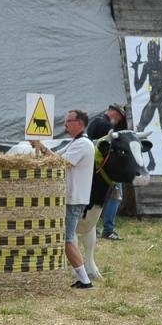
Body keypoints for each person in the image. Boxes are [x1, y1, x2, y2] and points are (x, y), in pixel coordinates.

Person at [35, 108, 96, 289]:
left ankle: (85, 280)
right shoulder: (75, 142)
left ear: (79, 124)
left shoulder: (83, 144)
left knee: (67, 239)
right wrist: (41, 148)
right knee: (66, 238)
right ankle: (82, 278)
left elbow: (60, 162)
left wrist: (42, 147)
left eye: (68, 121)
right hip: (71, 197)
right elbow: (56, 157)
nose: (65, 124)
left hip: (74, 198)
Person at [86, 103, 129, 241]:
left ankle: (91, 226)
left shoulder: (94, 122)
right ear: (112, 112)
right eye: (117, 115)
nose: (117, 118)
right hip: (106, 170)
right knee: (116, 196)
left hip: (93, 168)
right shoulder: (108, 127)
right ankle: (108, 229)